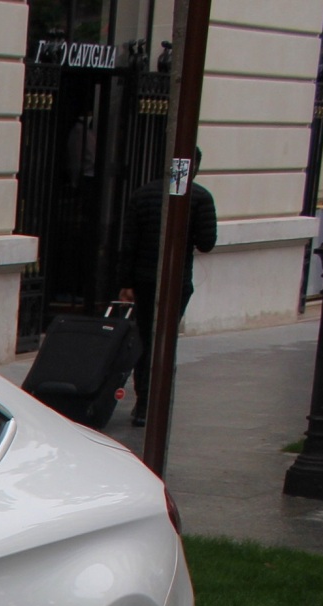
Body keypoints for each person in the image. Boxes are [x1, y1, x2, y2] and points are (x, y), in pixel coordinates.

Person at [118, 150, 219, 426]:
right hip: (177, 279)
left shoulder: (142, 195)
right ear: (194, 166)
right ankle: (158, 400)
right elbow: (207, 242)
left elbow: (129, 244)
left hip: (144, 279)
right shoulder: (199, 197)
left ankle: (143, 402)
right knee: (165, 339)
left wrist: (126, 283)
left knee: (147, 338)